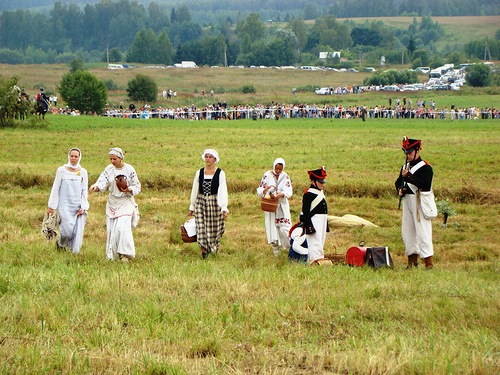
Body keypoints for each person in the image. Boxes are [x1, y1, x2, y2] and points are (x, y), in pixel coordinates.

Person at [89, 147, 141, 261]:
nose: (112, 161)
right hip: (112, 202)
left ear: (121, 158)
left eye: (115, 159)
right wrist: (96, 187)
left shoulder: (129, 169)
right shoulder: (109, 169)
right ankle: (113, 255)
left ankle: (126, 255)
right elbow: (102, 181)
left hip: (125, 202)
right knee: (112, 230)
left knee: (122, 229)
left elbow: (137, 186)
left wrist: (128, 189)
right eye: (111, 159)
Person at [395, 136, 434, 269]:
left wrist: (409, 177)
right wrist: (400, 189)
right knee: (408, 232)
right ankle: (412, 262)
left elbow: (425, 184)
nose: (408, 155)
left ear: (417, 151)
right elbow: (398, 182)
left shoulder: (426, 168)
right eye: (406, 152)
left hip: (419, 202)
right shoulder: (405, 166)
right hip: (407, 201)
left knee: (423, 232)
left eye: (410, 152)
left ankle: (428, 263)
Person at [188, 149, 229, 259]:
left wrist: (223, 207)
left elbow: (222, 190)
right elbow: (195, 189)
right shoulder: (199, 172)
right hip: (201, 203)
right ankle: (204, 251)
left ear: (215, 159)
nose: (208, 159)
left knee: (215, 227)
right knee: (201, 227)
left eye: (210, 157)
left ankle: (213, 248)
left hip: (215, 203)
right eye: (206, 156)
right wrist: (192, 206)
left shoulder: (220, 173)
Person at [47, 148, 89, 254]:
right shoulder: (61, 170)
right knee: (66, 230)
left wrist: (84, 207)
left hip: (77, 205)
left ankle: (72, 252)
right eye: (72, 156)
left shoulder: (83, 172)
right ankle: (60, 244)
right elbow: (56, 188)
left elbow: (84, 190)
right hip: (64, 205)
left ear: (79, 157)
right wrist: (51, 206)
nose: (74, 158)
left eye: (76, 156)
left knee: (76, 231)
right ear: (68, 156)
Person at [256, 158, 293, 256]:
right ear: (274, 166)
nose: (278, 171)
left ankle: (290, 248)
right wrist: (265, 190)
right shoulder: (267, 175)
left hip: (281, 206)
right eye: (276, 168)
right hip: (270, 206)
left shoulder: (285, 176)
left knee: (285, 228)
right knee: (272, 228)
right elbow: (260, 189)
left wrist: (281, 194)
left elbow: (289, 191)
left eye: (280, 169)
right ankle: (276, 252)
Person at [302, 167, 329, 263]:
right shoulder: (308, 193)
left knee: (321, 240)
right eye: (320, 182)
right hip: (314, 220)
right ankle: (314, 260)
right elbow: (305, 211)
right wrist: (308, 225)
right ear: (314, 182)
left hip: (322, 220)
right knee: (314, 241)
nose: (322, 184)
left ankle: (320, 259)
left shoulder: (320, 192)